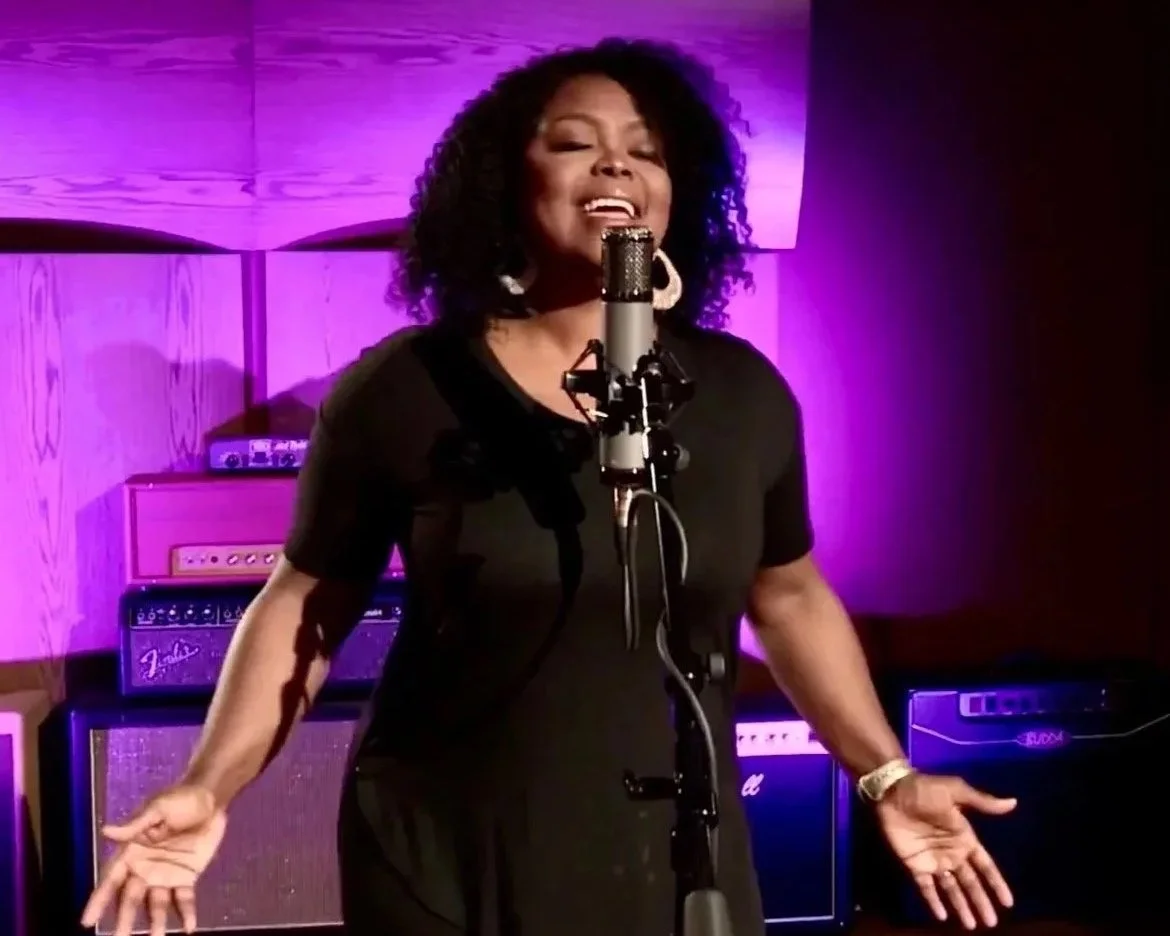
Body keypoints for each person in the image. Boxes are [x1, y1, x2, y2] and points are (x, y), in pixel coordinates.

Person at [82, 38, 1017, 936]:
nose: (616, 168)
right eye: (576, 144)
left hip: (675, 861)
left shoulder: (741, 394)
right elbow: (308, 601)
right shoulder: (409, 388)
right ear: (506, 181)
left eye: (645, 152)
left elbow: (791, 595)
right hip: (451, 856)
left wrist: (887, 776)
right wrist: (209, 784)